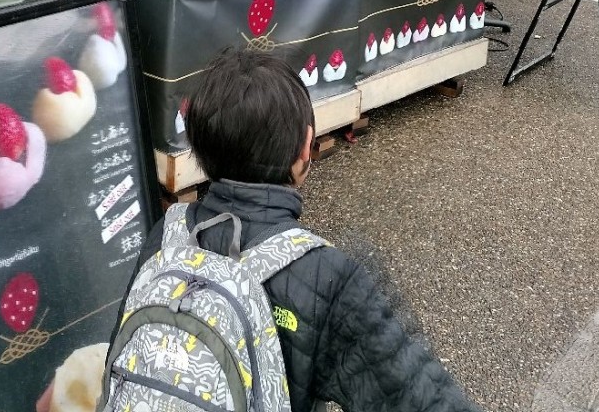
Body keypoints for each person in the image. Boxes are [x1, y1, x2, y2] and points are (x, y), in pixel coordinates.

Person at [111, 49, 483, 412]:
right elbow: (421, 397)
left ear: (198, 149)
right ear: (305, 147)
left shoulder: (167, 232)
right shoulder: (330, 276)